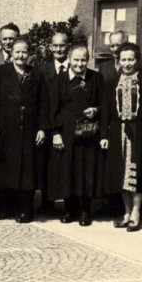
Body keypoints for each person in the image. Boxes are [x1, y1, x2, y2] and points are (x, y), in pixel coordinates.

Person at [100, 42, 142, 232]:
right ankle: (126, 213)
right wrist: (104, 135)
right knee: (121, 175)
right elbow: (107, 113)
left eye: (131, 59)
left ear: (138, 60)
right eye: (123, 59)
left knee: (138, 175)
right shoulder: (111, 82)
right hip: (117, 132)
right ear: (118, 61)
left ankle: (136, 212)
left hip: (139, 131)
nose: (127, 63)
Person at [0, 38, 49, 223]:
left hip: (29, 129)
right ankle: (6, 206)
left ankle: (25, 208)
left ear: (29, 53)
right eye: (17, 52)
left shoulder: (36, 74)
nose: (21, 55)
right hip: (7, 129)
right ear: (11, 53)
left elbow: (44, 103)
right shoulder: (1, 71)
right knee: (7, 170)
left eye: (24, 52)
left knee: (27, 170)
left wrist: (42, 128)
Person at [47, 44, 102, 226]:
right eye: (76, 59)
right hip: (66, 133)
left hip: (88, 134)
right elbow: (52, 109)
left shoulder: (96, 78)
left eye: (83, 59)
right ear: (69, 59)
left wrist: (96, 109)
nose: (80, 63)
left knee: (86, 171)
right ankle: (70, 210)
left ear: (88, 59)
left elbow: (105, 105)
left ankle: (85, 211)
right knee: (67, 171)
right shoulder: (59, 80)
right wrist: (55, 133)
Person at [37, 32, 71, 214]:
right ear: (50, 47)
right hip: (49, 125)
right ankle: (47, 202)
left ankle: (69, 205)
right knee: (48, 165)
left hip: (68, 126)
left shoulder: (76, 66)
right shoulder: (43, 70)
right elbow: (41, 101)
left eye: (62, 45)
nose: (58, 49)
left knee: (67, 165)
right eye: (55, 46)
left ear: (68, 46)